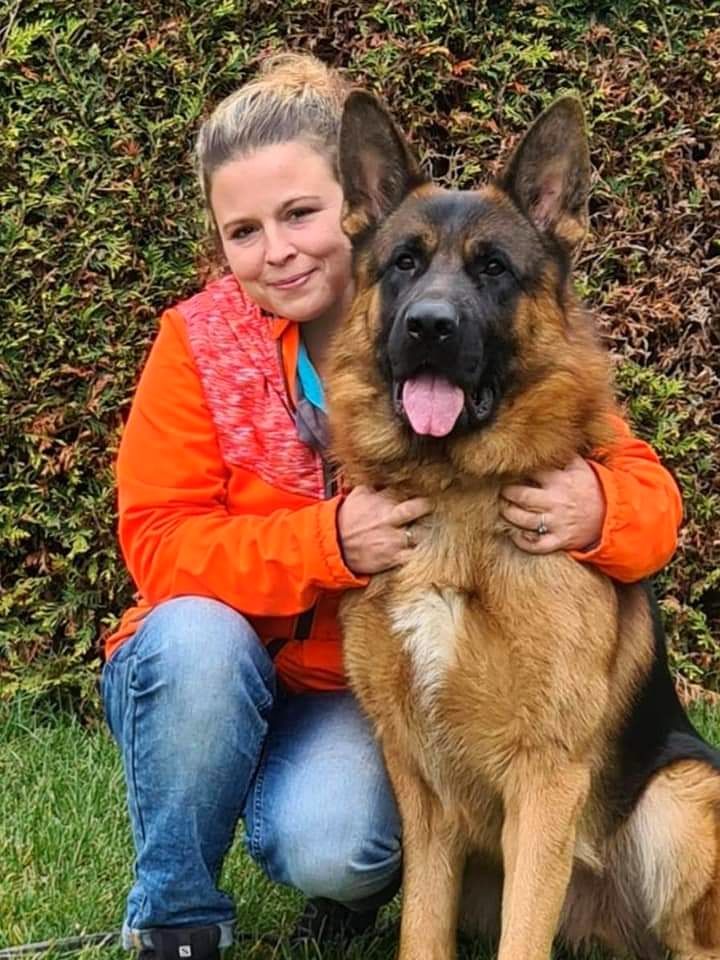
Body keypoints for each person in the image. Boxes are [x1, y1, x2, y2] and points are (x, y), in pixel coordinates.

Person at [101, 52, 683, 960]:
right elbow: (160, 543)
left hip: (334, 698)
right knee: (191, 641)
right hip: (225, 669)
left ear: (351, 204)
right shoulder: (198, 345)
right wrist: (327, 541)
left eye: (299, 213)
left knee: (344, 838)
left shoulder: (531, 384)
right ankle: (176, 911)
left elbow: (647, 494)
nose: (278, 248)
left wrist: (598, 506)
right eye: (243, 230)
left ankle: (347, 890)